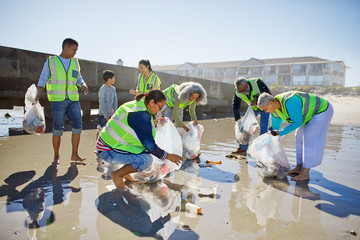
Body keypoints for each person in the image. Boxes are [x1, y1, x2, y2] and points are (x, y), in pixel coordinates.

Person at [96, 90, 183, 189]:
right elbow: (150, 146)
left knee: (144, 155)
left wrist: (153, 124)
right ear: (151, 102)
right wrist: (168, 156)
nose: (160, 111)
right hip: (107, 150)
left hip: (110, 144)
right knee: (146, 160)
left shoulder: (139, 106)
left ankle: (125, 173)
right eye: (160, 107)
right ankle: (117, 175)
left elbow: (135, 128)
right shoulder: (140, 115)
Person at [257, 91, 333, 181]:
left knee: (308, 137)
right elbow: (274, 129)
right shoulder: (274, 111)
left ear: (270, 103)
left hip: (321, 110)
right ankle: (299, 167)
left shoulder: (289, 101)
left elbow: (297, 122)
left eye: (265, 109)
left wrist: (281, 132)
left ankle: (305, 174)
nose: (266, 112)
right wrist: (269, 142)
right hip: (308, 115)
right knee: (298, 135)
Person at [35, 38, 89, 164]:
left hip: (73, 99)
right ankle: (56, 156)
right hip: (58, 100)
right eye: (74, 49)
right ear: (66, 47)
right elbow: (43, 79)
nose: (75, 52)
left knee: (78, 125)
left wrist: (84, 84)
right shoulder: (51, 61)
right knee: (58, 127)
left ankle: (74, 155)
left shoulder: (75, 62)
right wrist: (36, 95)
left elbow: (79, 77)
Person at [232, 77, 271, 155]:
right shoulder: (237, 91)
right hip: (253, 108)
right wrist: (238, 120)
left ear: (247, 84)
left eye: (243, 90)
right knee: (245, 128)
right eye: (240, 91)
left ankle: (261, 151)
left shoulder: (257, 83)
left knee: (263, 128)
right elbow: (235, 106)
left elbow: (269, 95)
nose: (242, 93)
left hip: (265, 107)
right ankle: (243, 149)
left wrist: (257, 100)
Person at [96, 70, 118, 140]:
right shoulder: (103, 90)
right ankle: (97, 147)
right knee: (101, 131)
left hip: (111, 114)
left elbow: (115, 101)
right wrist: (106, 116)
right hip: (103, 115)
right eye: (113, 78)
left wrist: (115, 111)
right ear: (109, 79)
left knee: (110, 131)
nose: (114, 79)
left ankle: (106, 147)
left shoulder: (113, 89)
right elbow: (102, 104)